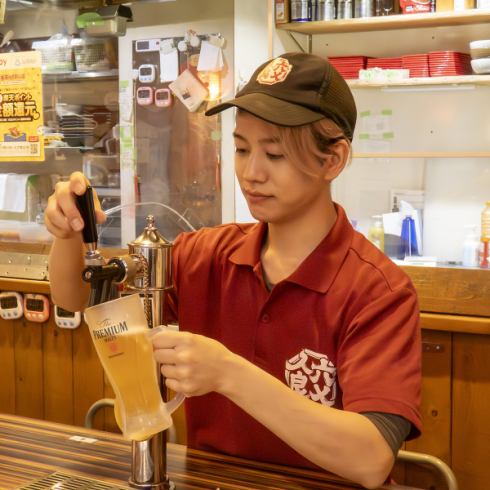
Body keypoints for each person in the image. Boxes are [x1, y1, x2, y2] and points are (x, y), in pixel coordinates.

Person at [45, 52, 421, 489]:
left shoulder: (378, 290)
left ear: (332, 160)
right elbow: (76, 298)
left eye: (274, 154)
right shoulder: (206, 255)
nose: (251, 172)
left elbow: (371, 458)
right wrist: (68, 231)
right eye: (242, 149)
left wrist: (228, 373)